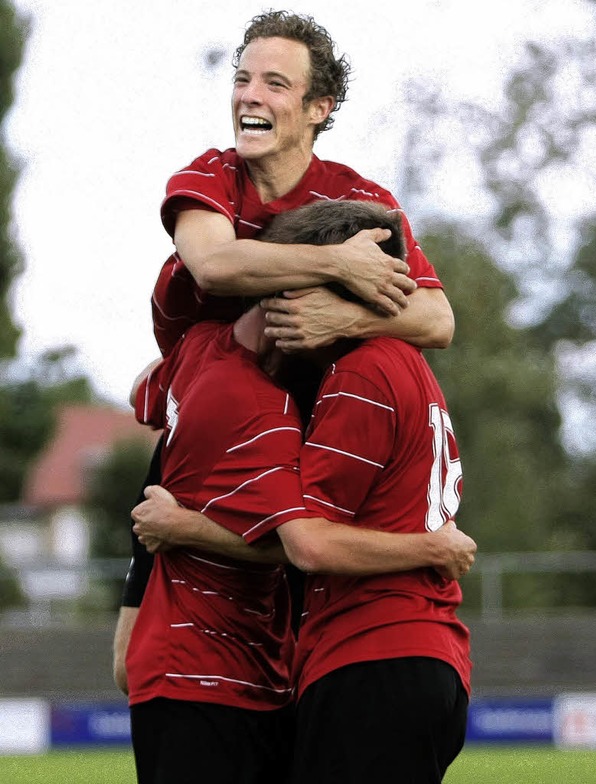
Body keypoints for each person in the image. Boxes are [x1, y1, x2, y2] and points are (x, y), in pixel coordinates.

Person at [114, 8, 456, 696]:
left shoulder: (363, 198)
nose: (249, 95)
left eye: (274, 83)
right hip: (203, 427)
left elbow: (437, 317)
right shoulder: (209, 179)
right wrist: (339, 266)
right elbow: (214, 268)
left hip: (311, 422)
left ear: (318, 108)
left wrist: (343, 315)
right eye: (242, 79)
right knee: (128, 665)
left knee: (302, 605)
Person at [131, 200, 474, 784]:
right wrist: (432, 547)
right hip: (386, 656)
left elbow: (306, 543)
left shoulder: (341, 375)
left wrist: (180, 527)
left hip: (370, 655)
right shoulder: (367, 374)